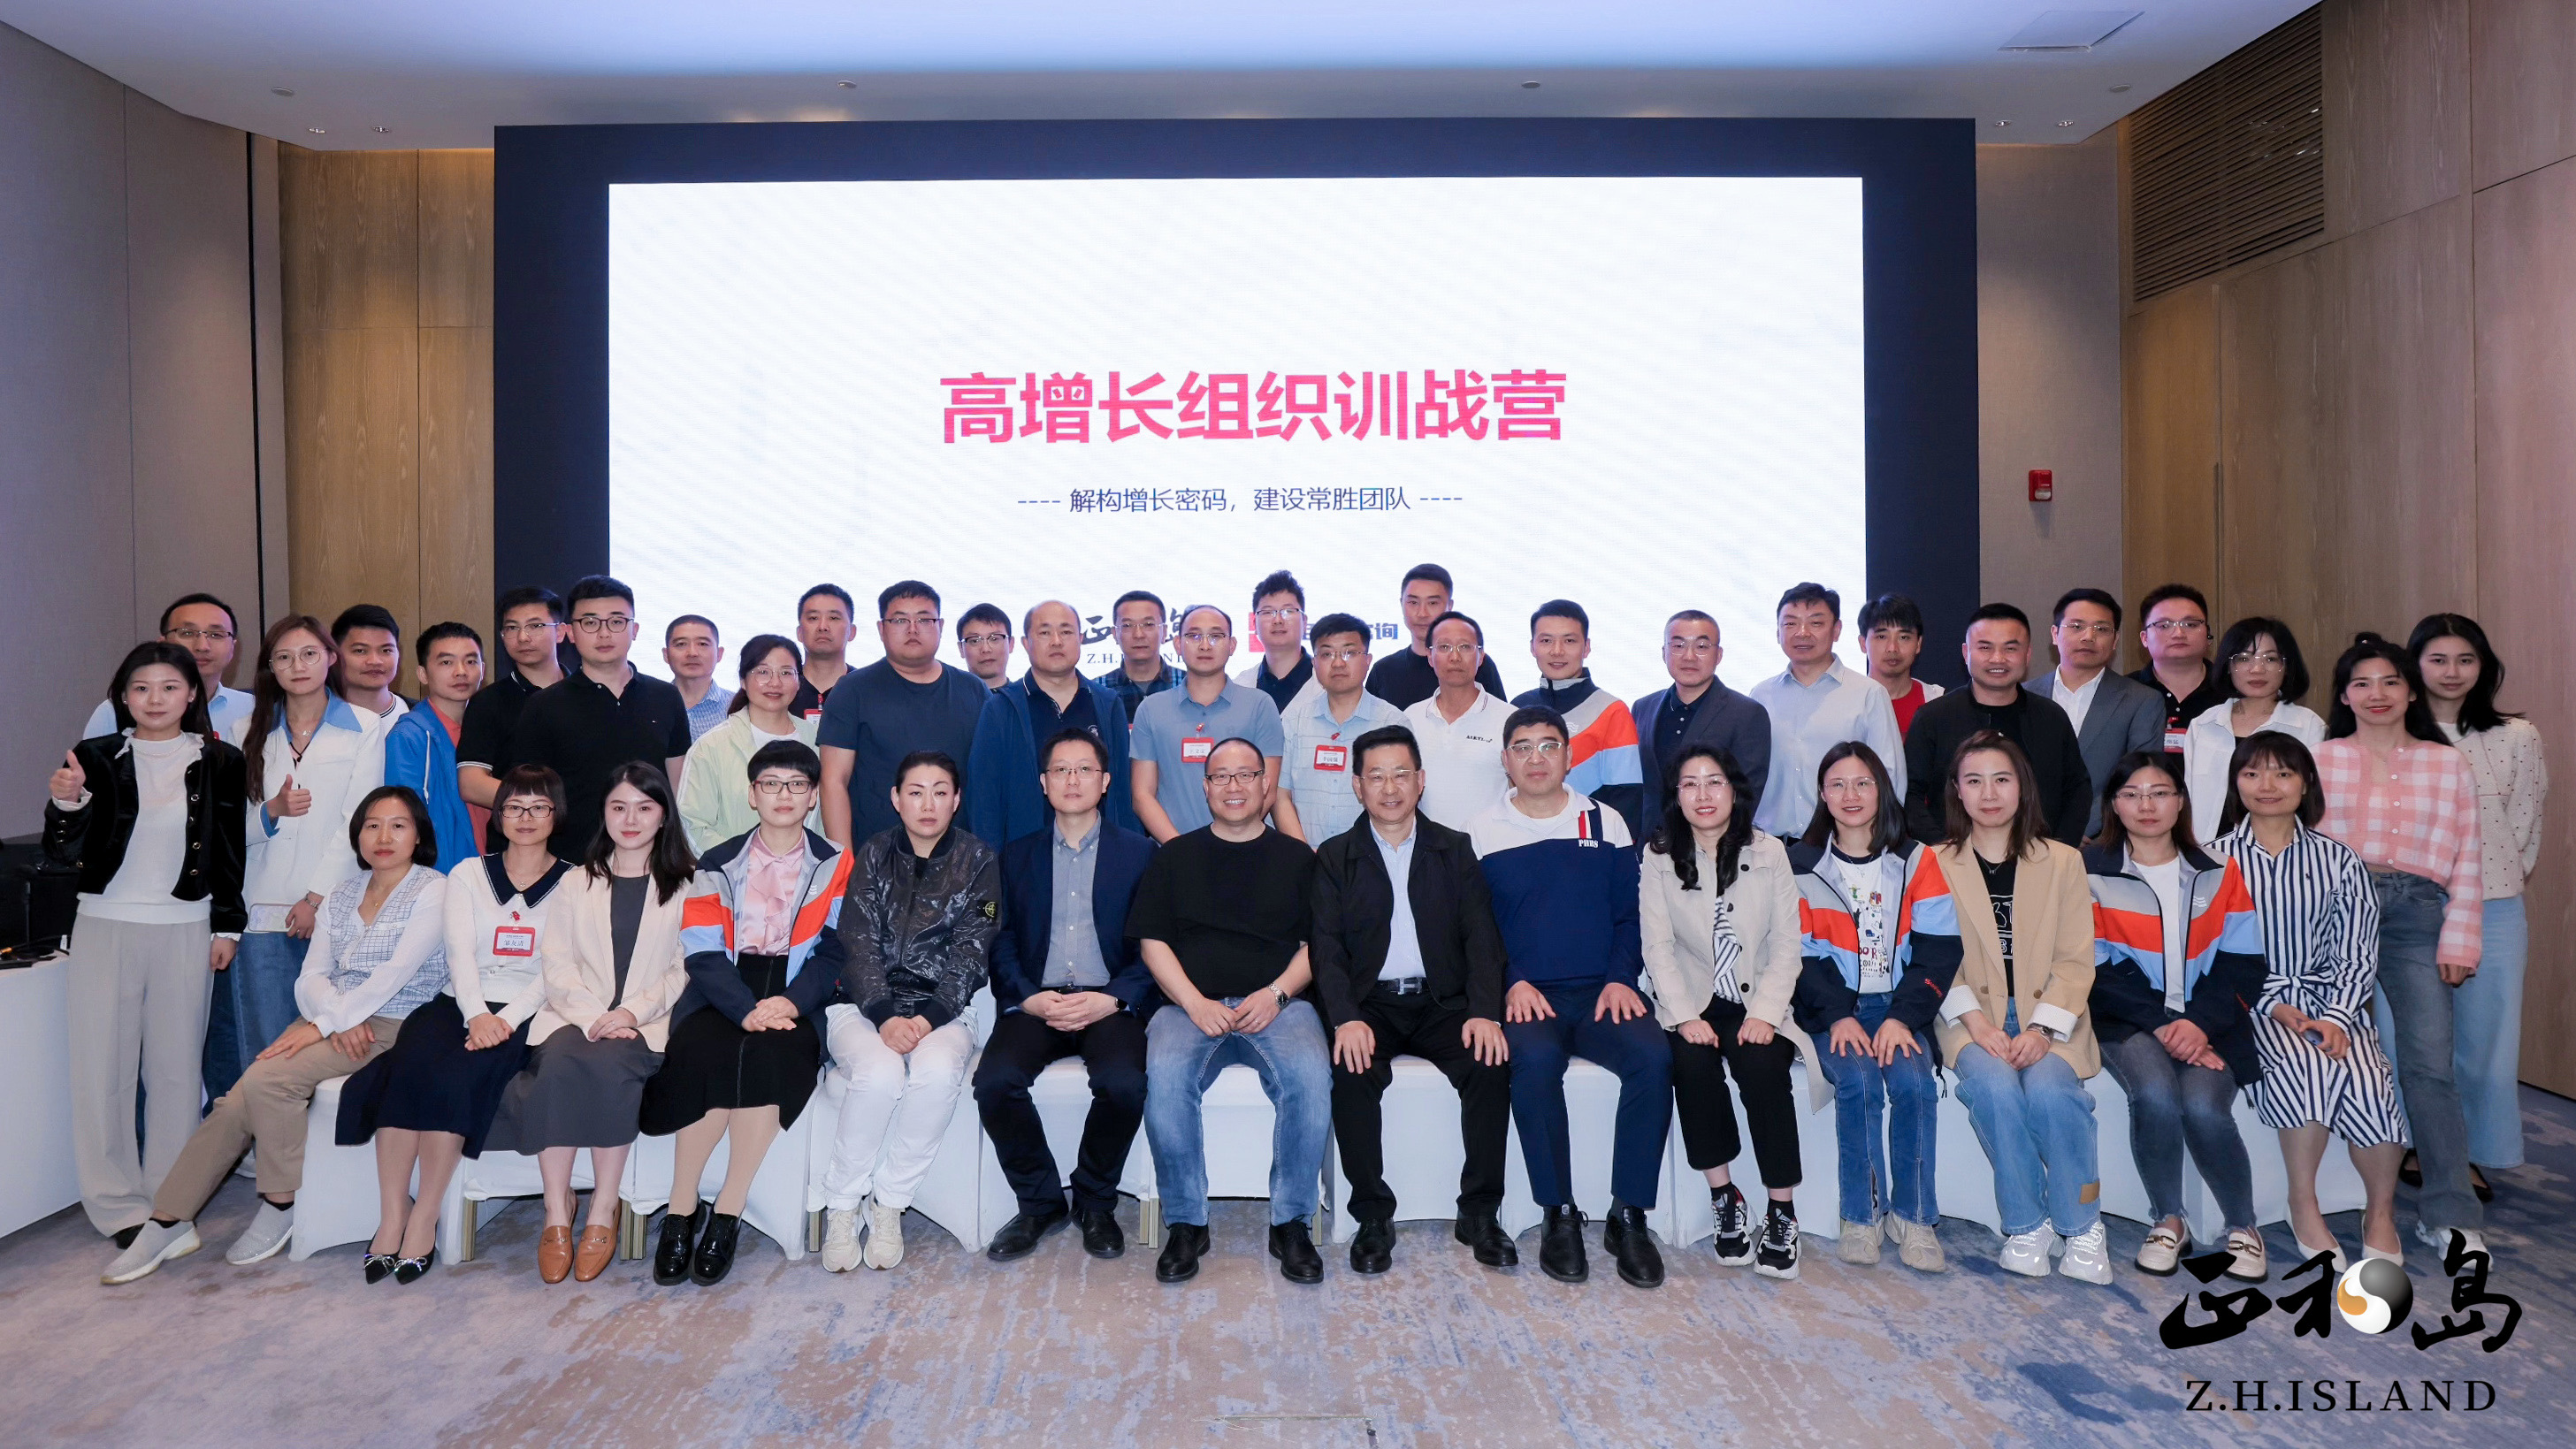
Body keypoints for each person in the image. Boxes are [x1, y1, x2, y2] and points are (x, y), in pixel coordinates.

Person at [103, 788, 450, 1284]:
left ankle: (277, 1201)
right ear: (358, 836)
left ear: (419, 835)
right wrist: (333, 1018)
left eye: (398, 825)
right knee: (236, 1102)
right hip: (334, 1019)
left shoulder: (433, 890)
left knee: (266, 1082)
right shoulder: (342, 894)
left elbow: (393, 975)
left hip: (397, 1024)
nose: (384, 836)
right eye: (372, 825)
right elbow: (310, 976)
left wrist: (329, 1022)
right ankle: (169, 1218)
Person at [333, 766, 569, 1283]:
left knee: (456, 1079)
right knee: (405, 1071)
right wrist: (475, 1013)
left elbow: (557, 968)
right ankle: (391, 1216)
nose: (525, 818)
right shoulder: (467, 873)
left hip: (525, 1012)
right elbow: (458, 954)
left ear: (557, 815)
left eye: (539, 807)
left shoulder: (576, 882)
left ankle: (425, 1216)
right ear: (497, 815)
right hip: (457, 1002)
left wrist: (503, 1020)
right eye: (513, 807)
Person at [48, 642, 248, 1245]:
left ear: (191, 695)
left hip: (186, 926)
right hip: (105, 923)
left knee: (176, 1072)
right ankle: (116, 1206)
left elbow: (228, 850)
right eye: (141, 688)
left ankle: (170, 1202)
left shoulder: (221, 760)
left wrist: (227, 926)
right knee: (102, 1070)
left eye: (168, 687)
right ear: (123, 696)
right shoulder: (94, 756)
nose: (154, 699)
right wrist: (66, 803)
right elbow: (63, 852)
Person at [1471, 706, 1671, 1290]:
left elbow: (1628, 915)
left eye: (1548, 745)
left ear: (1568, 755)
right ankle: (1557, 1212)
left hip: (1602, 990)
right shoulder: (1480, 830)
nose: (1535, 758)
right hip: (1527, 997)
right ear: (1505, 760)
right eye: (1522, 747)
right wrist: (1510, 980)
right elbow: (1475, 929)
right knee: (1533, 1063)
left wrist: (1620, 977)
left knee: (1653, 1057)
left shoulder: (1606, 821)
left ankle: (1628, 1214)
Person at [1310, 724, 1515, 1275]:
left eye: (1401, 774)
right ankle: (1373, 1216)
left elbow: (1481, 938)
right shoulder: (1335, 856)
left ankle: (1480, 1212)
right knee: (1351, 1071)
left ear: (1421, 780)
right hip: (1369, 1004)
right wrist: (1345, 1019)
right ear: (1357, 786)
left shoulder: (1453, 848)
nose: (1390, 787)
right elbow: (1326, 950)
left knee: (1489, 1063)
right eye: (1376, 776)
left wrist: (1484, 1013)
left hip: (1442, 1001)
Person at [643, 741, 848, 1287]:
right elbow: (701, 950)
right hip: (723, 987)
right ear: (752, 794)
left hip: (798, 989)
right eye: (771, 784)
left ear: (812, 798)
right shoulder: (717, 861)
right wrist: (743, 1009)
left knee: (773, 1057)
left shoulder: (836, 862)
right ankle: (681, 1209)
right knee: (701, 1053)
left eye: (797, 785)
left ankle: (728, 1212)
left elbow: (836, 950)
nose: (784, 794)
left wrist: (791, 1002)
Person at [483, 764, 696, 1284]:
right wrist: (595, 1017)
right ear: (604, 814)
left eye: (644, 808)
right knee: (555, 1069)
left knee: (609, 1067)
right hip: (573, 1018)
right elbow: (556, 966)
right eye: (619, 807)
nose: (631, 819)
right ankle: (557, 1211)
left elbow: (683, 967)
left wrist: (629, 1014)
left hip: (644, 1023)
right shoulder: (577, 881)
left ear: (663, 815)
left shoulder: (689, 884)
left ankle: (603, 1206)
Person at [2205, 733, 2408, 1268]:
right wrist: (2271, 1001)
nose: (2267, 785)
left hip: (2332, 1000)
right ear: (2235, 783)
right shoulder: (2212, 859)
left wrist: (2338, 1017)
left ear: (2306, 783)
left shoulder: (2339, 859)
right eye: (2252, 773)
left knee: (2371, 1080)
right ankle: (2303, 1204)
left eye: (2283, 773)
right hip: (2250, 1005)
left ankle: (2380, 1212)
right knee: (2308, 1067)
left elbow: (2358, 950)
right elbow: (2204, 952)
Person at [1132, 739, 1330, 1285]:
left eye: (1246, 775)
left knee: (1311, 1078)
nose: (1234, 786)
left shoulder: (1299, 859)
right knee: (1165, 1078)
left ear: (1266, 785)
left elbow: (1318, 945)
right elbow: (1152, 942)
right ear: (1206, 788)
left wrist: (1278, 995)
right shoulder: (1173, 857)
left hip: (1281, 1005)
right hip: (1188, 1007)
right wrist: (1193, 1002)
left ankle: (1291, 1222)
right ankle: (1186, 1223)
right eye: (1222, 777)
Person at [2315, 633, 2487, 1259]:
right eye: (2361, 683)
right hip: (2335, 909)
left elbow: (2468, 854)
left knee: (2428, 1066)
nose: (2377, 694)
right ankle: (2326, 1198)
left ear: (2410, 691)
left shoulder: (2445, 763)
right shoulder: (2320, 757)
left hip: (2416, 912)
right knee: (2325, 1054)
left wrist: (2460, 938)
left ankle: (2450, 1214)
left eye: (2390, 681)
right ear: (2344, 696)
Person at [1922, 732, 2111, 1284]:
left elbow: (2076, 960)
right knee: (1995, 1089)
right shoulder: (1933, 862)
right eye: (1974, 781)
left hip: (2051, 1019)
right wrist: (1977, 1024)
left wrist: (2042, 1030)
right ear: (1957, 791)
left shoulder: (2063, 862)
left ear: (2022, 787)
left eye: (2001, 779)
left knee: (2054, 1094)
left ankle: (2083, 1222)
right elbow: (1932, 956)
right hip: (1967, 1019)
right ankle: (2028, 1224)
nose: (1989, 793)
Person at [2082, 751, 2268, 1280]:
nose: (2147, 805)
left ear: (2181, 801)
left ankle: (2243, 1226)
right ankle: (2168, 1219)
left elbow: (2243, 962)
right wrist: (2164, 1024)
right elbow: (2094, 967)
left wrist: (2198, 1025)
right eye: (2132, 794)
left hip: (2210, 1022)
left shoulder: (2218, 871)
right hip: (2127, 1020)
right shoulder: (2090, 872)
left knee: (2205, 1108)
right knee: (2156, 1095)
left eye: (2160, 793)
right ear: (2114, 805)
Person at [975, 728, 1158, 1263]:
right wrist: (1027, 998)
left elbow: (1155, 946)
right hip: (1039, 1001)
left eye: (1084, 770)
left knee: (1124, 1084)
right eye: (1061, 770)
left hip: (1108, 1002)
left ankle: (1095, 1201)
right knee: (994, 1082)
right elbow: (1000, 939)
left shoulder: (1140, 854)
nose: (1072, 779)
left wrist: (1115, 999)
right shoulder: (1015, 856)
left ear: (1105, 782)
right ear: (1043, 782)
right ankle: (1041, 1204)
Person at [816, 752, 1000, 1273]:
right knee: (879, 1074)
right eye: (916, 792)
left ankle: (889, 1203)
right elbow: (856, 941)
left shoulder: (979, 860)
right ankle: (842, 1206)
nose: (928, 804)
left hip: (944, 1010)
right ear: (896, 799)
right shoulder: (873, 854)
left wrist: (927, 1018)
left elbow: (974, 949)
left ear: (957, 800)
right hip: (863, 1005)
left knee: (937, 1071)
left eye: (940, 792)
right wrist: (883, 1014)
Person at [1641, 744, 1813, 1279]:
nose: (1703, 794)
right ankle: (1725, 1198)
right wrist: (1683, 1016)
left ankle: (1782, 1210)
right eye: (1689, 784)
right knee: (1690, 1065)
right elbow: (1657, 947)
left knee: (1762, 1068)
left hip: (1756, 997)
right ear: (1676, 795)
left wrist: (1766, 1013)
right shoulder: (1659, 855)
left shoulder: (1769, 852)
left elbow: (1787, 945)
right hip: (1691, 999)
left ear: (1734, 791)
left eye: (1713, 782)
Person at [1788, 742, 1953, 1273]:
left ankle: (1915, 1217)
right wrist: (1838, 1015)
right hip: (1832, 1011)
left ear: (1882, 789)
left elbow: (1939, 949)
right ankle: (1861, 1217)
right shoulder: (1800, 865)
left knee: (1915, 1083)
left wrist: (1903, 1017)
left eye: (1863, 783)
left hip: (1898, 1008)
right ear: (1822, 794)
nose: (1851, 795)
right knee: (1859, 1082)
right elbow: (1798, 955)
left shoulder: (1917, 860)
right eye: (1837, 784)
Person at [217, 614, 389, 1102]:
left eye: (310, 654)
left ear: (330, 658)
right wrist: (270, 811)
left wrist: (316, 898)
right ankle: (265, 1144)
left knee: (328, 1050)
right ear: (270, 667)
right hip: (263, 909)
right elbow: (228, 830)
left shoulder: (364, 727)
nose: (298, 665)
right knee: (266, 1047)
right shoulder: (245, 730)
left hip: (334, 908)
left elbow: (359, 822)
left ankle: (318, 1151)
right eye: (284, 657)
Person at [2411, 614, 2547, 1195]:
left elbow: (2524, 825)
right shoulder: (2394, 733)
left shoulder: (2517, 735)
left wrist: (2488, 877)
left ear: (2483, 667)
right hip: (2409, 906)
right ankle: (2417, 1144)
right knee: (2413, 1037)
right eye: (2438, 659)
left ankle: (2467, 1151)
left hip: (2493, 905)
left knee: (2486, 1038)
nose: (2452, 671)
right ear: (2415, 665)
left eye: (2465, 660)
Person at [499, 576, 692, 859]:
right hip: (571, 862)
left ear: (635, 629)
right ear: (571, 631)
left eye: (616, 621)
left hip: (653, 861)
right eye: (590, 622)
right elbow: (531, 795)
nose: (604, 634)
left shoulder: (666, 697)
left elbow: (678, 786)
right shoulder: (543, 705)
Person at [817, 581, 991, 848]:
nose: (912, 629)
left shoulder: (974, 690)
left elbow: (991, 782)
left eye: (924, 619)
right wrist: (845, 864)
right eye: (900, 620)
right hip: (876, 860)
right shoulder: (852, 690)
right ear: (881, 629)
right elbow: (833, 782)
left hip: (960, 860)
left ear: (940, 626)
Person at [1901, 604, 2090, 846]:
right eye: (1985, 648)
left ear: (2028, 654)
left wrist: (2058, 850)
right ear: (1966, 652)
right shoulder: (1933, 718)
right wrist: (1943, 850)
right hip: (1952, 858)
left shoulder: (2051, 717)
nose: (1998, 658)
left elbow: (2078, 789)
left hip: (2041, 858)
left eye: (2010, 648)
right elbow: (1910, 794)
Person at [965, 600, 1137, 847]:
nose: (1056, 641)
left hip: (1100, 856)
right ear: (1026, 643)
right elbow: (984, 799)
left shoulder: (1108, 704)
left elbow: (1123, 791)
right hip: (1023, 859)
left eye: (1066, 632)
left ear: (1081, 639)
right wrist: (990, 863)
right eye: (1045, 633)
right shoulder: (1001, 708)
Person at [1749, 583, 1905, 839]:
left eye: (1816, 623)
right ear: (1777, 632)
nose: (1802, 633)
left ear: (1837, 630)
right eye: (1790, 623)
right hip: (1770, 846)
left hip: (1842, 844)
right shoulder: (1760, 696)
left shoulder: (1868, 694)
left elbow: (1891, 777)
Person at [1128, 605, 1291, 842]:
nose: (1205, 645)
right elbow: (1142, 796)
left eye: (1216, 636)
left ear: (1232, 645)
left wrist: (1230, 843)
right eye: (1194, 636)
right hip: (1172, 851)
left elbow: (1267, 789)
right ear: (1178, 644)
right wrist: (1182, 850)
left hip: (1243, 850)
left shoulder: (1259, 705)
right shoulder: (1151, 709)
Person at [676, 635, 818, 853]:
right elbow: (692, 826)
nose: (775, 682)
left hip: (811, 871)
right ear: (743, 681)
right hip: (734, 871)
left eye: (786, 673)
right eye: (763, 672)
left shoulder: (818, 741)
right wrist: (747, 863)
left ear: (799, 681)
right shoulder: (711, 747)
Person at [1513, 599, 1643, 834]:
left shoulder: (1611, 710)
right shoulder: (1516, 708)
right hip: (1523, 839)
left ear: (1587, 647)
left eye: (1569, 641)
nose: (1557, 651)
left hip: (1591, 844)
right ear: (1532, 647)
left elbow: (1628, 798)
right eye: (1546, 640)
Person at [2182, 617, 2326, 829]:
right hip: (2209, 848)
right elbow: (2190, 802)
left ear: (2287, 666)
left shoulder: (2310, 727)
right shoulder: (2203, 725)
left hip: (2283, 847)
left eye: (2270, 659)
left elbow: (2316, 804)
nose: (2257, 669)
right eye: (2243, 658)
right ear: (2228, 666)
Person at [1633, 609, 1771, 830]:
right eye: (1678, 645)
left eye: (1701, 646)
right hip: (1650, 843)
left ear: (1719, 655)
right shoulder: (1643, 708)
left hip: (1713, 844)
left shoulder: (1747, 714)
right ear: (1664, 652)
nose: (1689, 656)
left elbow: (1747, 795)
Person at [2044, 588, 2165, 837]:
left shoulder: (2142, 700)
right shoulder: (2024, 695)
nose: (2089, 636)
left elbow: (2137, 778)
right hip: (2027, 840)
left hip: (2103, 841)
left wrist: (2075, 831)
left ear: (2115, 640)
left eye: (2101, 629)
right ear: (2055, 634)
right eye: (2076, 626)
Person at [1279, 613, 1404, 846]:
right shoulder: (1294, 721)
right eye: (1327, 654)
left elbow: (1402, 797)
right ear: (1314, 663)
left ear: (1368, 660)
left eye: (1349, 653)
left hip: (1372, 858)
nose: (1338, 663)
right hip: (1306, 857)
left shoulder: (1392, 722)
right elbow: (1280, 795)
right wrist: (1302, 852)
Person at [457, 585, 568, 844]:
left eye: (535, 626)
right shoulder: (487, 701)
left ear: (561, 632)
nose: (523, 637)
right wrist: (544, 807)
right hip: (513, 843)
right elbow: (471, 784)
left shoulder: (587, 695)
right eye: (512, 628)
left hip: (585, 844)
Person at [381, 622, 485, 872]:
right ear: (423, 674)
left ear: (483, 669)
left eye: (471, 661)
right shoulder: (408, 736)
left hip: (488, 869)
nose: (461, 672)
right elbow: (403, 821)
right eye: (446, 662)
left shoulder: (489, 728)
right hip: (440, 874)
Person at [81, 592, 256, 740]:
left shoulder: (254, 709)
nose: (202, 646)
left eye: (216, 634)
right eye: (187, 633)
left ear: (233, 647)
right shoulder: (115, 712)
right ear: (163, 643)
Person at [1402, 613, 1514, 832]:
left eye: (1465, 647)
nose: (1455, 657)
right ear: (1429, 656)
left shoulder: (1509, 719)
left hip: (1490, 846)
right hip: (1427, 848)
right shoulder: (1411, 718)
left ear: (1481, 656)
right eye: (1444, 647)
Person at [1364, 563, 1507, 709]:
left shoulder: (1475, 664)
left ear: (1450, 606)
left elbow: (1501, 717)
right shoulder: (1383, 671)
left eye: (1432, 603)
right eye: (1413, 602)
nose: (1422, 613)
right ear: (1401, 603)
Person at [2131, 583, 2228, 753]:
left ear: (2207, 634)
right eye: (2164, 625)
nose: (2178, 634)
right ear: (2145, 638)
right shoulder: (2124, 693)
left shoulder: (2232, 691)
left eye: (2190, 624)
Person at [1096, 589, 1186, 723]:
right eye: (1127, 625)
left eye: (1148, 624)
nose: (1138, 634)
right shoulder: (1096, 690)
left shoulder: (1188, 685)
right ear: (1115, 634)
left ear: (1164, 631)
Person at [1858, 593, 1943, 735]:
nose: (1892, 648)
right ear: (1863, 643)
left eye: (1904, 637)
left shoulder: (1938, 702)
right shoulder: (1845, 703)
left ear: (1918, 644)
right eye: (1882, 636)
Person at [1235, 569, 1315, 710]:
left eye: (1288, 611)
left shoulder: (1328, 683)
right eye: (1268, 612)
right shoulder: (1239, 687)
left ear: (1304, 622)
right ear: (1254, 624)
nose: (1278, 620)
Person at [790, 583, 857, 720]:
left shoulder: (868, 689)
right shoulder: (781, 688)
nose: (823, 627)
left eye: (833, 618)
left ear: (852, 632)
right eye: (813, 618)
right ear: (799, 632)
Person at [330, 605, 409, 721]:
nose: (375, 661)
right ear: (335, 656)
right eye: (360, 651)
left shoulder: (424, 717)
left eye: (386, 650)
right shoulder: (316, 720)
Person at [662, 614, 731, 741]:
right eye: (681, 644)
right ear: (666, 655)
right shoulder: (648, 705)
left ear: (719, 654)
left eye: (702, 644)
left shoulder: (738, 708)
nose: (692, 653)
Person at [957, 602, 1017, 690]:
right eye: (975, 641)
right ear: (961, 649)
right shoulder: (947, 698)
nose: (986, 649)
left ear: (1011, 644)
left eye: (994, 639)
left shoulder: (1027, 697)